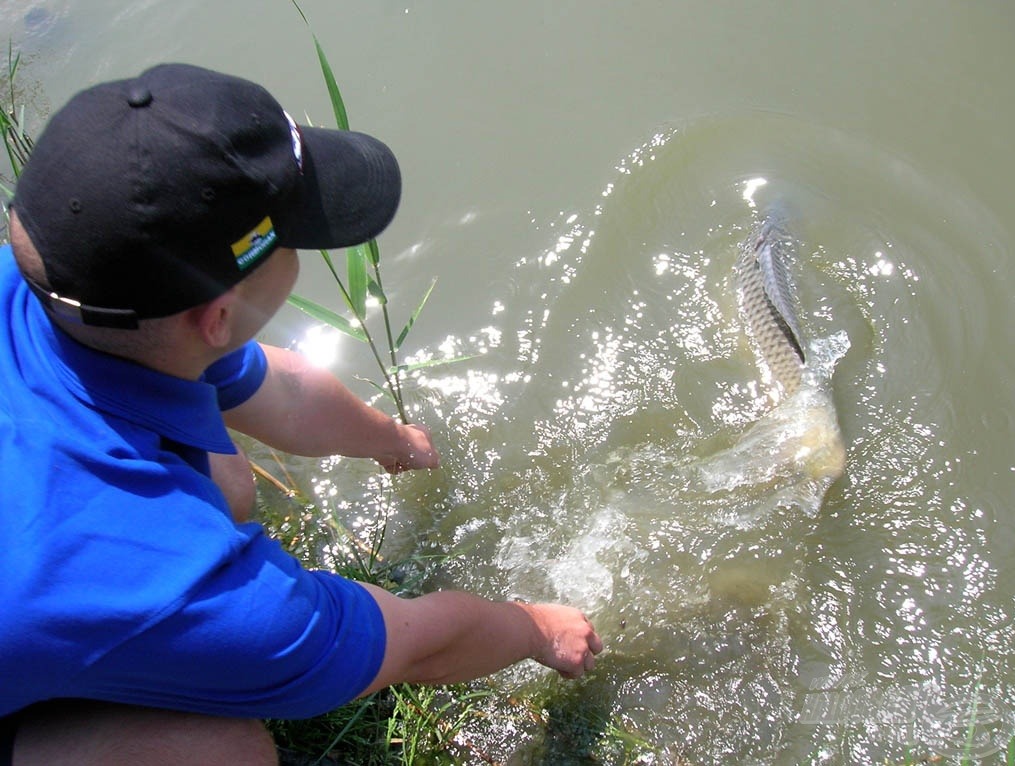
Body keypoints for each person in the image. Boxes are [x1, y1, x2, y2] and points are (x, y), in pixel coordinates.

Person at [0, 63, 603, 765]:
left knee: (228, 483)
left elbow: (276, 389)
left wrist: (391, 439)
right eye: (296, 237)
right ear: (218, 317)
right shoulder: (181, 581)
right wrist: (536, 627)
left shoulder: (76, 293)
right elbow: (414, 641)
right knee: (223, 754)